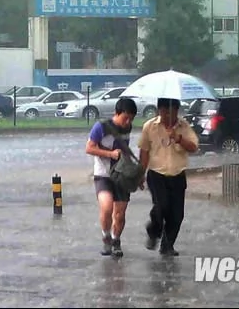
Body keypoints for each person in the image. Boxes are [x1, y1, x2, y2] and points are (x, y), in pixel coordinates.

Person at [138, 98, 199, 256]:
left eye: (172, 112)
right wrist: (140, 174)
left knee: (177, 214)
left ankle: (167, 245)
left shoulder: (183, 126)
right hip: (156, 174)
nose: (168, 115)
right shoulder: (149, 127)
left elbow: (193, 147)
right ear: (159, 110)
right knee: (161, 206)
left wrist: (179, 138)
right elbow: (144, 151)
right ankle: (153, 232)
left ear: (177, 111)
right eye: (165, 112)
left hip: (178, 175)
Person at [85, 98, 138, 257]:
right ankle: (106, 236)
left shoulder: (128, 128)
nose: (127, 122)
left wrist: (137, 175)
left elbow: (125, 150)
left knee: (120, 214)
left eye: (131, 118)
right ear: (117, 113)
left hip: (122, 175)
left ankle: (116, 240)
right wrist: (110, 154)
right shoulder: (100, 127)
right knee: (107, 207)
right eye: (125, 117)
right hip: (103, 174)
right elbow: (89, 148)